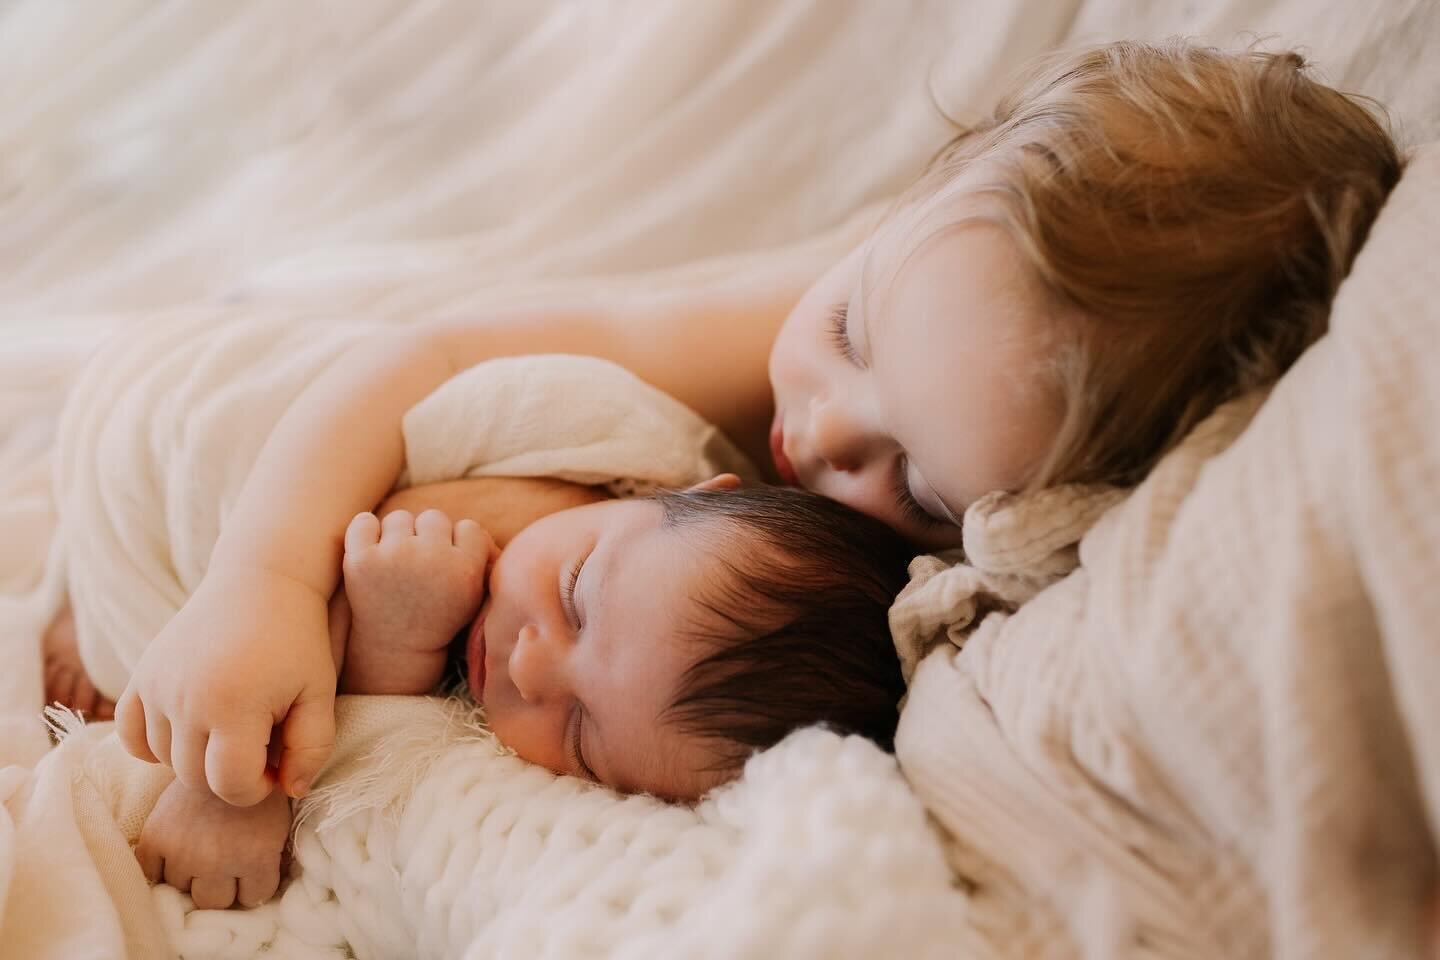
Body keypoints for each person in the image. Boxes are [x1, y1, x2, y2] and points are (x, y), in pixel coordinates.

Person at [102, 39, 1398, 821]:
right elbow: (421, 356)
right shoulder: (831, 307)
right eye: (850, 332)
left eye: (922, 488)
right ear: (917, 201)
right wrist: (255, 582)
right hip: (392, 366)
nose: (825, 432)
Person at [132, 479, 913, 909]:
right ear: (678, 488)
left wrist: (392, 647)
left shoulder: (626, 574)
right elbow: (321, 573)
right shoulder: (530, 508)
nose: (530, 670)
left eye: (578, 731)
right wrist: (234, 788)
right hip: (188, 445)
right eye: (577, 595)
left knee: (122, 629)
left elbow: (374, 700)